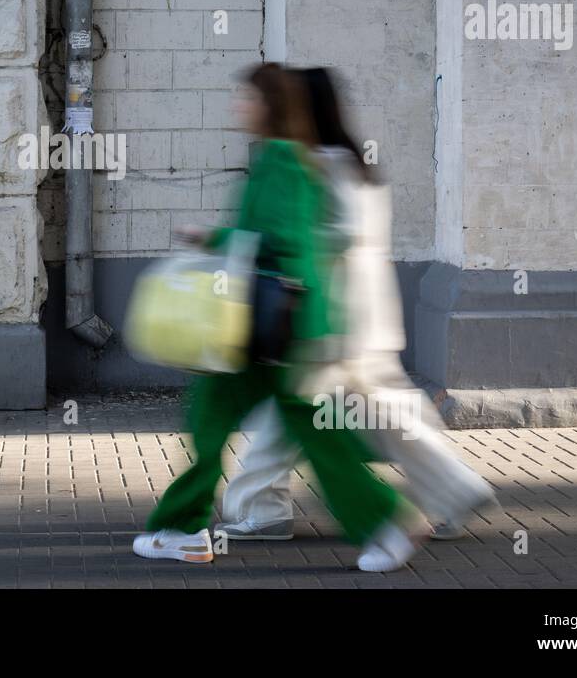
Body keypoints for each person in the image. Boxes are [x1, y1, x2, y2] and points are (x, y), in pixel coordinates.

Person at [132, 64, 419, 572]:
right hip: (276, 326)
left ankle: (183, 529)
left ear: (271, 107)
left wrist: (215, 239)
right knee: (301, 431)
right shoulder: (287, 157)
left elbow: (286, 243)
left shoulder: (281, 160)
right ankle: (382, 524)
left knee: (228, 425)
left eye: (247, 99)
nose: (238, 107)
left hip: (269, 328)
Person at [217, 66, 496, 543]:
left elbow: (337, 235)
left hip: (329, 314)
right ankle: (454, 489)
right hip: (364, 313)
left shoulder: (320, 164)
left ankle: (265, 508)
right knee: (381, 413)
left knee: (293, 411)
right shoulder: (357, 163)